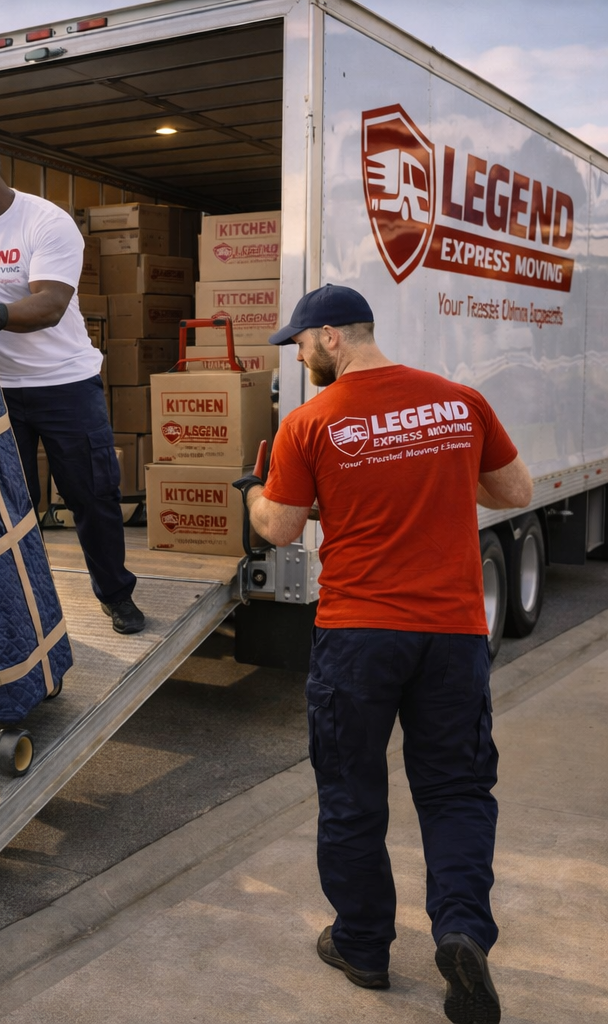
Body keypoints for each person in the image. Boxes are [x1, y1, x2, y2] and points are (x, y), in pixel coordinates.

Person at [236, 285, 532, 1024]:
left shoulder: (311, 422)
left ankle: (364, 946)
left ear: (331, 336)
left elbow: (278, 530)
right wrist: (435, 479)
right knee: (457, 791)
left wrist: (251, 491)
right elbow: (514, 488)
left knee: (351, 789)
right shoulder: (459, 402)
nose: (299, 358)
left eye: (300, 345)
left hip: (359, 635)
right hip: (454, 632)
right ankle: (461, 928)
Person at [0, 137, 143, 634]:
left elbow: (49, 305)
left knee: (91, 496)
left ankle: (116, 596)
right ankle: (24, 611)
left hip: (64, 383)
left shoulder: (46, 222)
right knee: (10, 504)